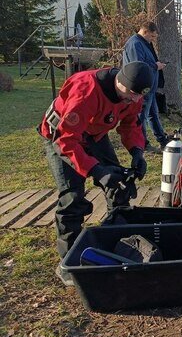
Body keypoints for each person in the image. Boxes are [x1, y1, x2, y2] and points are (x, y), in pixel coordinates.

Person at [38, 61, 152, 285]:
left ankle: (116, 237)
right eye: (130, 95)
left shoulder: (133, 94)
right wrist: (96, 170)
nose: (135, 100)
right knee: (72, 198)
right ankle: (68, 262)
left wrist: (137, 152)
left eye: (138, 96)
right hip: (61, 136)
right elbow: (66, 140)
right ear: (119, 81)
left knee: (119, 184)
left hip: (94, 133)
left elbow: (131, 124)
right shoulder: (86, 90)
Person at [122, 21, 169, 153]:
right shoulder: (135, 44)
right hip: (141, 87)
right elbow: (138, 66)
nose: (153, 39)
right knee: (141, 116)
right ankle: (143, 144)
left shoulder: (143, 43)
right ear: (145, 32)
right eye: (152, 36)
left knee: (153, 114)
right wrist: (156, 66)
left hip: (149, 87)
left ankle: (162, 140)